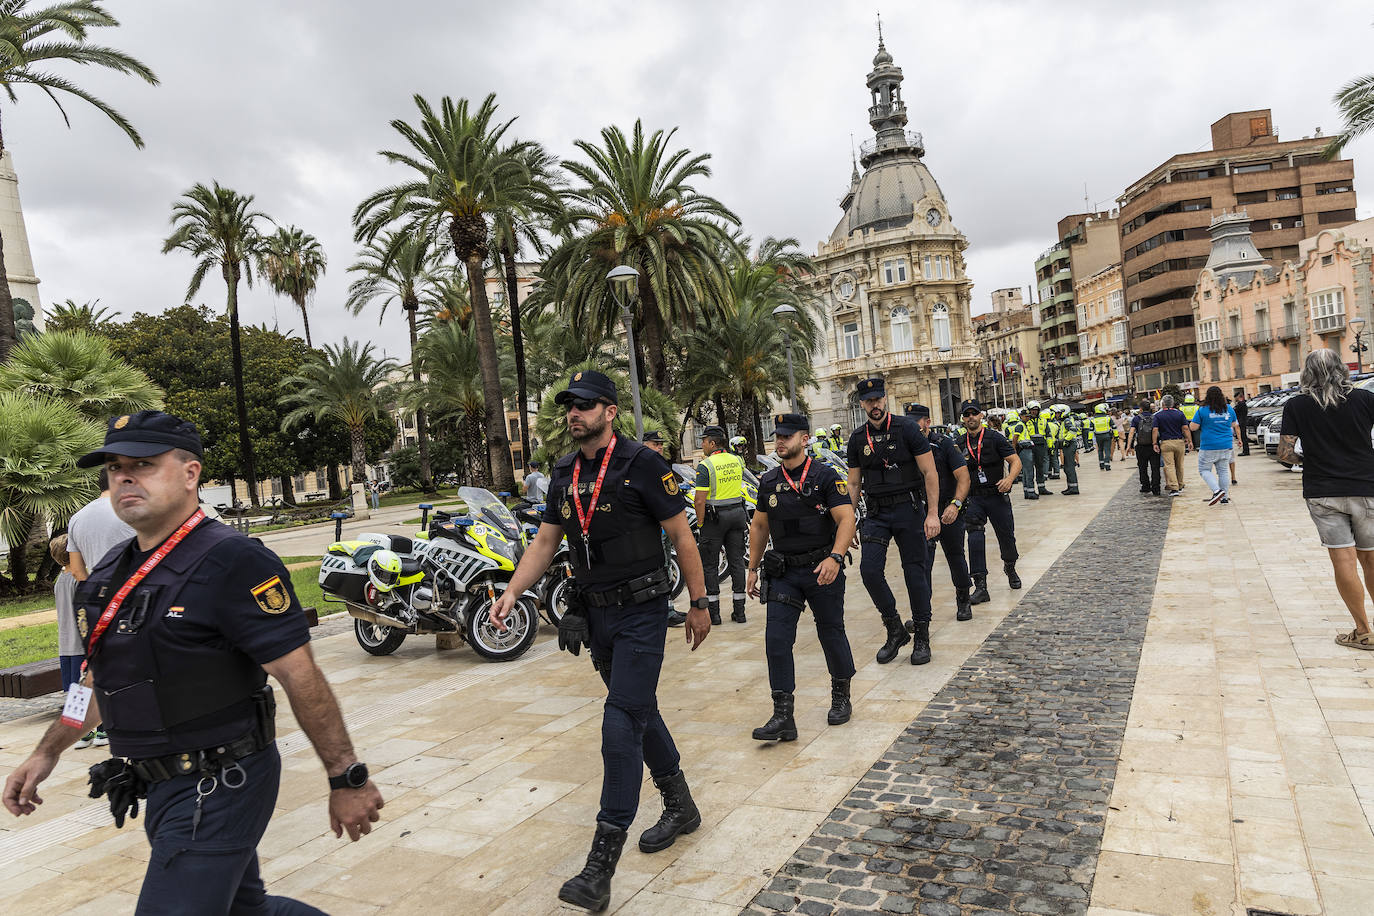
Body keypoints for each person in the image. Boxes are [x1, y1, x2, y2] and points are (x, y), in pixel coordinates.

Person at [3, 410, 384, 914]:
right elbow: (97, 680)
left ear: (190, 474)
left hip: (222, 781)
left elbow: (300, 675)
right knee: (246, 910)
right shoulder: (111, 571)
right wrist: (46, 751)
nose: (124, 477)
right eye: (115, 468)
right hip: (161, 784)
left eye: (143, 464)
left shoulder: (234, 560)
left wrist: (345, 778)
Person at [491, 371, 709, 912]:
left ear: (610, 411)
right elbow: (547, 539)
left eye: (585, 405)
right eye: (570, 405)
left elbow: (682, 535)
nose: (575, 413)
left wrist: (701, 603)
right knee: (638, 712)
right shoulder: (563, 472)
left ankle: (599, 866)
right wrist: (514, 592)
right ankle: (680, 805)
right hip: (597, 618)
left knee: (619, 724)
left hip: (641, 613)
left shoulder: (643, 464)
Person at [746, 413, 858, 739]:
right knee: (776, 641)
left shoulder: (825, 477)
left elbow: (847, 518)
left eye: (787, 435)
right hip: (784, 572)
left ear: (804, 439)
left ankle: (841, 696)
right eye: (777, 436)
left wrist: (835, 558)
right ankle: (783, 717)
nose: (780, 441)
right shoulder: (768, 481)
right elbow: (760, 526)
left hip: (821, 569)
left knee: (831, 632)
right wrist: (752, 569)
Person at [1279, 348, 1374, 651]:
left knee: (1342, 559)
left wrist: (1309, 459)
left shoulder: (1297, 405)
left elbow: (1285, 453)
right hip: (1366, 485)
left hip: (1323, 491)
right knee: (1371, 558)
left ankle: (1363, 630)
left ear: (1307, 372)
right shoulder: (1365, 399)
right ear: (1341, 370)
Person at [846, 377, 942, 666]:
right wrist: (848, 522)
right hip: (876, 514)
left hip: (908, 509)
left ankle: (922, 636)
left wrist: (933, 513)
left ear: (884, 399)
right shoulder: (857, 438)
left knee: (915, 571)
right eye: (868, 401)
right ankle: (895, 629)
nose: (874, 405)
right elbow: (853, 483)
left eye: (878, 399)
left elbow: (930, 473)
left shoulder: (907, 428)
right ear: (862, 404)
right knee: (869, 570)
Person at [64, 469, 135, 749]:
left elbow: (78, 571)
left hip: (93, 603)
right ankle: (114, 724)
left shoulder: (78, 518)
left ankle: (81, 729)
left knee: (90, 667)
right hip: (132, 599)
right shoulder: (130, 511)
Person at [907, 404, 973, 621]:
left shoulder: (943, 444)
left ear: (927, 422)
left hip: (947, 510)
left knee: (955, 557)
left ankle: (963, 600)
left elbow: (964, 478)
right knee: (922, 563)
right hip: (921, 514)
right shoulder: (906, 447)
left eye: (915, 422)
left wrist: (955, 505)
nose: (911, 427)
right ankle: (923, 614)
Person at [956, 401, 1022, 606]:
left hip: (997, 495)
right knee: (974, 537)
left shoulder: (995, 438)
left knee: (1006, 535)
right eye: (966, 415)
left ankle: (1010, 567)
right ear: (963, 418)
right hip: (974, 497)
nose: (970, 418)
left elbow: (1015, 461)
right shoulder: (959, 443)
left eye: (974, 413)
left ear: (981, 415)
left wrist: (1009, 479)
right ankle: (981, 585)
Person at [694, 426, 750, 624]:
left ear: (712, 443)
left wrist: (701, 524)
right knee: (736, 562)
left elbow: (699, 500)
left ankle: (715, 614)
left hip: (714, 519)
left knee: (710, 565)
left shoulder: (706, 465)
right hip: (737, 514)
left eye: (704, 441)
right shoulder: (737, 460)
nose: (702, 445)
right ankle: (740, 612)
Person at [1189, 385, 1240, 505]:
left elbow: (1193, 427)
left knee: (1204, 470)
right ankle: (1224, 497)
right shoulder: (1229, 408)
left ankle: (1217, 491)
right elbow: (1234, 424)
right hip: (1226, 444)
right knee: (1223, 471)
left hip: (1209, 445)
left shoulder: (1202, 410)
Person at [50, 533, 83, 695]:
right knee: (82, 692)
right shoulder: (78, 580)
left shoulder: (60, 581)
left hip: (66, 645)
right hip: (80, 644)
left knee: (72, 692)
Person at [1152, 394, 1192, 496]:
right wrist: (1189, 440)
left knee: (1169, 465)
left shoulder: (1157, 415)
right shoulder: (1180, 414)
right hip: (1179, 442)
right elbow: (1185, 428)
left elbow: (1155, 430)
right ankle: (1180, 484)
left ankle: (1174, 488)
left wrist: (1154, 443)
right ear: (1173, 403)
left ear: (1163, 404)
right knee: (1180, 465)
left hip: (1166, 442)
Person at [1023, 401, 1056, 496]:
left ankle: (1042, 488)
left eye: (1036, 410)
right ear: (1029, 410)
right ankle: (1029, 490)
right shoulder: (1026, 420)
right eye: (1032, 410)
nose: (1034, 412)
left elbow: (1049, 434)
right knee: (1028, 469)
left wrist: (1050, 447)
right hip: (1029, 446)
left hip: (1041, 446)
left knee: (1040, 467)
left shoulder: (1044, 420)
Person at [1130, 401, 1161, 496]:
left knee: (1142, 467)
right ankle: (1156, 488)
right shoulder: (1156, 417)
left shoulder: (1136, 419)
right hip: (1154, 445)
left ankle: (1145, 486)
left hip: (1141, 446)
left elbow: (1131, 433)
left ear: (1141, 409)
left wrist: (1129, 446)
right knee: (1155, 467)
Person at [1005, 408, 1035, 500]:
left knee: (1026, 472)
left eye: (1028, 416)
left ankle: (1027, 492)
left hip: (1025, 449)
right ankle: (1031, 492)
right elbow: (1015, 438)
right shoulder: (1020, 425)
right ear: (1021, 416)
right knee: (1029, 471)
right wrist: (1014, 450)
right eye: (1026, 416)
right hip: (1024, 449)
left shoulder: (1023, 425)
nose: (1028, 418)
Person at [1055, 404, 1081, 496]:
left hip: (1069, 445)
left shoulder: (1066, 421)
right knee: (1067, 467)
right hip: (1067, 445)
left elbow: (1073, 430)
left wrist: (1066, 440)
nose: (1056, 415)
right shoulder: (1064, 421)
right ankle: (1070, 487)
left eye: (1058, 413)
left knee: (1069, 467)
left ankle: (1074, 488)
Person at [1091, 404, 1115, 470]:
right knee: (1107, 450)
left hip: (1098, 436)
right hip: (1107, 436)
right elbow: (1114, 427)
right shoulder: (1108, 418)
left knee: (1100, 450)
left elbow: (1090, 430)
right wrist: (1116, 436)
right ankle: (1107, 464)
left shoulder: (1093, 419)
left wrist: (1090, 439)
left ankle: (1101, 464)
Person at [1234, 392, 1251, 456]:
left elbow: (1235, 411)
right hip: (1242, 421)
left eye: (1236, 397)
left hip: (1242, 422)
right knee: (1243, 436)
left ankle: (1246, 451)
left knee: (1243, 437)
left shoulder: (1241, 404)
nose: (1235, 399)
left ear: (1238, 397)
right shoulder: (1242, 403)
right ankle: (1245, 450)